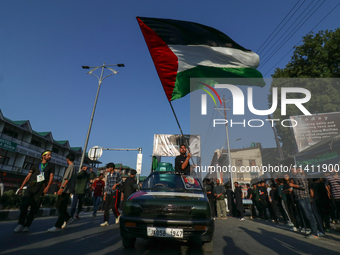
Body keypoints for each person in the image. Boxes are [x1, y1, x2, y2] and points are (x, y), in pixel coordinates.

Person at [14, 150, 54, 232]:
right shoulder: (35, 165)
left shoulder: (51, 166)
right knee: (24, 205)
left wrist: (48, 187)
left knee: (34, 208)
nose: (50, 156)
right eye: (48, 155)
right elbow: (28, 176)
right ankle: (21, 224)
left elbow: (51, 177)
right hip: (31, 186)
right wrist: (21, 187)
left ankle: (27, 225)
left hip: (41, 188)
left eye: (50, 155)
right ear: (43, 156)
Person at [47, 154, 77, 232]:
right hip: (67, 190)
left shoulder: (71, 167)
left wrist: (62, 188)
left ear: (68, 159)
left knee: (61, 206)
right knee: (59, 205)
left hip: (65, 190)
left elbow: (67, 179)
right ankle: (67, 218)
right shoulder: (73, 167)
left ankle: (58, 226)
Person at [289, 167, 319, 239]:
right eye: (291, 171)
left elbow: (304, 186)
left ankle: (315, 233)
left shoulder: (300, 177)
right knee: (306, 215)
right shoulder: (295, 178)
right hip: (299, 198)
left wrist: (293, 185)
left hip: (304, 198)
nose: (292, 172)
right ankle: (312, 230)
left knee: (309, 215)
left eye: (293, 170)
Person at [100, 162, 122, 226]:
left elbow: (121, 181)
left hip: (115, 191)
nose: (107, 169)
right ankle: (106, 221)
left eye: (108, 168)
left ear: (112, 168)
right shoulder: (108, 176)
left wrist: (116, 184)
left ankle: (117, 215)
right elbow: (107, 185)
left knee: (113, 206)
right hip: (108, 192)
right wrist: (105, 194)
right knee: (106, 207)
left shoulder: (117, 174)